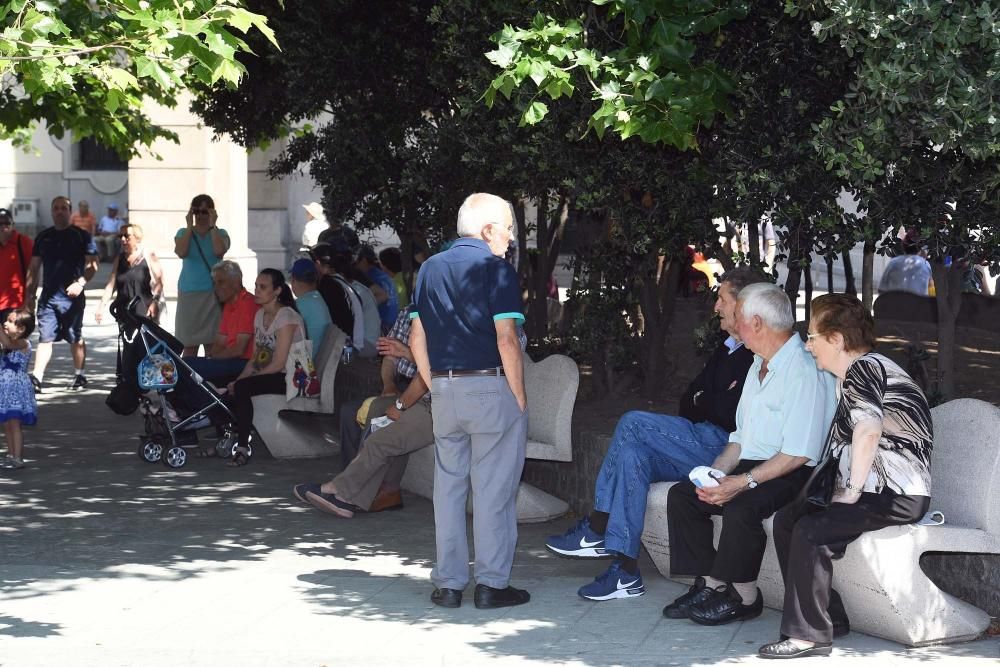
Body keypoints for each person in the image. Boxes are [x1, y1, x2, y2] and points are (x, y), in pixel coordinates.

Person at [545, 267, 766, 601]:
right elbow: (688, 400)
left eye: (722, 299)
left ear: (744, 304)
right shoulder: (729, 348)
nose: (716, 307)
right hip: (702, 436)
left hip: (726, 448)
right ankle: (626, 571)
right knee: (633, 454)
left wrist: (706, 401)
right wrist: (708, 401)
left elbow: (726, 414)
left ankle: (598, 525)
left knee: (633, 422)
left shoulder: (755, 354)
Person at [758, 294, 933, 660]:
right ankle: (828, 618)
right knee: (790, 521)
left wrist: (850, 491)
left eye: (812, 336)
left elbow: (868, 429)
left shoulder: (864, 369)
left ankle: (808, 637)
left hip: (895, 493)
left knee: (812, 531)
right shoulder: (862, 372)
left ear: (836, 339)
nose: (807, 346)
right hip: (881, 490)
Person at [662, 282, 836, 626]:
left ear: (756, 323)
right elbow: (740, 438)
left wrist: (741, 482)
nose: (729, 321)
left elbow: (798, 454)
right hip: (756, 463)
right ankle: (709, 584)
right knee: (685, 495)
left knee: (743, 507)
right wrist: (715, 476)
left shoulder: (804, 370)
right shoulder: (757, 364)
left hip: (794, 471)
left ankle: (746, 598)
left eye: (737, 316)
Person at [408, 192, 530, 610]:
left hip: (445, 388)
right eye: (509, 228)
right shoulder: (495, 270)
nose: (511, 238)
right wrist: (518, 394)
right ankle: (492, 584)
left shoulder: (428, 268)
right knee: (494, 490)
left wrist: (434, 381)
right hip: (490, 385)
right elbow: (507, 339)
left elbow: (416, 338)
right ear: (488, 230)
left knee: (448, 488)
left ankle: (448, 584)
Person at [294, 305, 431, 515]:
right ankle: (351, 489)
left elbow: (431, 373)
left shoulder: (441, 318)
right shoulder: (411, 312)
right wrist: (389, 385)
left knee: (381, 435)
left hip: (432, 398)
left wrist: (401, 405)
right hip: (413, 390)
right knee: (362, 414)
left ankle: (344, 491)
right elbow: (390, 357)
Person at [223, 269, 304, 467]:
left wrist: (245, 382)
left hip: (292, 378)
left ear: (277, 291)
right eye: (256, 286)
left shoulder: (286, 317)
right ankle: (226, 438)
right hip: (273, 375)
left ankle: (242, 447)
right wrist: (240, 379)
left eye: (263, 287)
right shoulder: (260, 315)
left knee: (243, 387)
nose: (257, 291)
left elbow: (279, 363)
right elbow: (258, 357)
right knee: (229, 383)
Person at [26, 196, 99, 392]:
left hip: (73, 298)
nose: (59, 211)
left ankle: (79, 376)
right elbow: (33, 268)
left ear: (70, 211)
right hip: (48, 298)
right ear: (51, 212)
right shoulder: (43, 237)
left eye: (63, 208)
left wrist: (81, 283)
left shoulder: (82, 236)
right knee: (45, 338)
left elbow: (93, 266)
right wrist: (30, 296)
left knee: (75, 337)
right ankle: (37, 378)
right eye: (56, 208)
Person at [182, 261, 259, 386]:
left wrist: (212, 359)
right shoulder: (229, 305)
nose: (216, 287)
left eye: (221, 282)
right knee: (184, 363)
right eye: (215, 283)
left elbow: (239, 350)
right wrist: (212, 358)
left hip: (244, 363)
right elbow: (219, 342)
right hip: (229, 360)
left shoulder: (248, 303)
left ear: (236, 281)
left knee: (188, 367)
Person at [174, 194, 230, 356]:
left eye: (205, 212)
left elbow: (219, 251)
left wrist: (212, 226)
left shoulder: (221, 233)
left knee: (212, 347)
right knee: (189, 346)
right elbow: (181, 252)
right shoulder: (183, 233)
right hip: (189, 294)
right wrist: (189, 226)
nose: (200, 215)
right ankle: (189, 381)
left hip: (213, 294)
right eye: (196, 211)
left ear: (212, 213)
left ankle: (210, 380)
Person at [95, 224, 164, 324]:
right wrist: (101, 307)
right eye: (120, 236)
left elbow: (159, 281)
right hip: (124, 313)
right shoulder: (119, 259)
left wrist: (155, 302)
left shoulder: (148, 256)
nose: (123, 239)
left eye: (127, 236)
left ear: (137, 238)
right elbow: (111, 285)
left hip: (146, 312)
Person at [0, 308, 37, 470]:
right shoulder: (8, 342)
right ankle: (10, 454)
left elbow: (9, 344)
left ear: (21, 328)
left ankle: (18, 457)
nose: (5, 324)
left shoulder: (23, 343)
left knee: (14, 424)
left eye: (9, 321)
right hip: (5, 388)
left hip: (15, 388)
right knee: (7, 424)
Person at [310, 243, 363, 350]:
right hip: (352, 344)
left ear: (318, 264)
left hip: (346, 348)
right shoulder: (339, 282)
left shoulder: (330, 285)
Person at [356, 244, 399, 331]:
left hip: (382, 324)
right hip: (394, 323)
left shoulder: (369, 278)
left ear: (364, 260)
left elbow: (381, 297)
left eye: (355, 262)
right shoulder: (383, 275)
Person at [289, 258, 332, 345]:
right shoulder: (317, 298)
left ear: (293, 280)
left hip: (310, 356)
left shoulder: (300, 304)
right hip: (319, 354)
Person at [0, 208, 34, 310]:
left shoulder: (24, 242)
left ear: (13, 224)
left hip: (16, 304)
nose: (3, 226)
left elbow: (33, 272)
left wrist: (30, 298)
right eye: (0, 223)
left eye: (7, 223)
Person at [878, 231, 931, 296]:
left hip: (894, 304)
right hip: (918, 304)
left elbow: (881, 289)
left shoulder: (893, 263)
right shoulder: (926, 265)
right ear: (920, 248)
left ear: (903, 246)